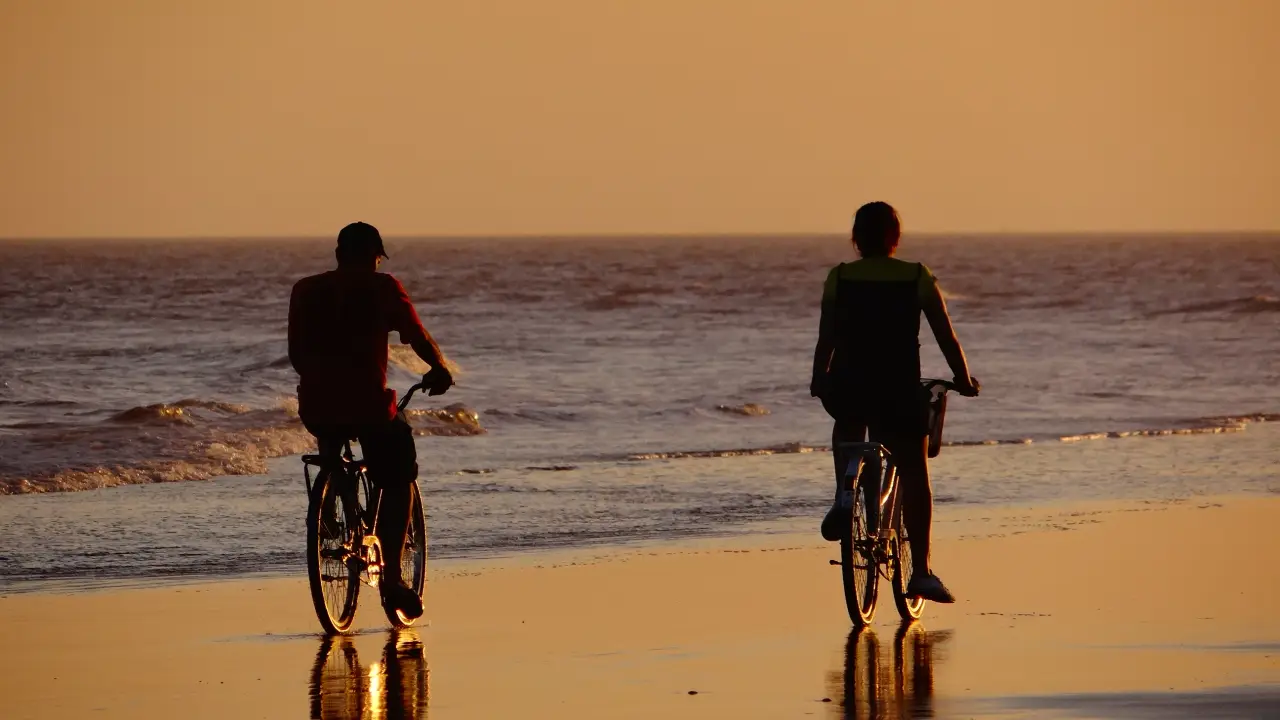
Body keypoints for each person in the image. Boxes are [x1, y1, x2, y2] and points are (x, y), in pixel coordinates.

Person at [810, 202, 978, 603]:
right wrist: (963, 378)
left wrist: (819, 379)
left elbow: (826, 338)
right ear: (895, 238)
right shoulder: (916, 276)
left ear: (856, 239)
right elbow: (945, 336)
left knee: (848, 425)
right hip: (897, 390)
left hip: (849, 386)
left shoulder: (839, 277)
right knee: (915, 470)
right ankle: (920, 573)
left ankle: (844, 496)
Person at [288, 221, 453, 619]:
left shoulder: (305, 290)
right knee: (398, 477)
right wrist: (439, 368)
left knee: (331, 435)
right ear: (375, 257)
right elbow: (416, 335)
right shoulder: (383, 288)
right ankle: (392, 580)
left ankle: (334, 500)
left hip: (317, 407)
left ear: (339, 254)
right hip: (368, 407)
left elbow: (296, 355)